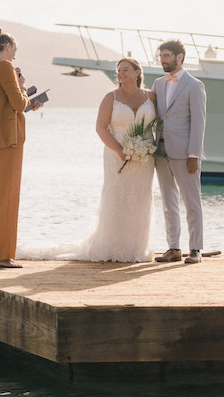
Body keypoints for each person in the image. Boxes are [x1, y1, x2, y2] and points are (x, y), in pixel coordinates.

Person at [19, 57, 156, 262]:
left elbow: (160, 125)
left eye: (126, 70)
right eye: (118, 70)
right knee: (116, 198)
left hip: (145, 158)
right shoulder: (111, 97)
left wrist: (150, 149)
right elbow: (100, 127)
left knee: (141, 200)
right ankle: (113, 248)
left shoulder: (151, 97)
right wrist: (119, 150)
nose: (121, 74)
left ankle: (137, 249)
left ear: (138, 72)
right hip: (116, 156)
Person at [0, 28, 38, 268]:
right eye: (14, 49)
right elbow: (16, 102)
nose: (15, 54)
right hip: (7, 139)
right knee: (7, 196)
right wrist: (22, 88)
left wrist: (24, 101)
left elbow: (3, 104)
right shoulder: (3, 67)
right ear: (7, 46)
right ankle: (1, 255)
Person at [152, 39, 207, 264]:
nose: (162, 60)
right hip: (161, 150)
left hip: (185, 153)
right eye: (161, 56)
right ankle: (173, 248)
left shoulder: (194, 85)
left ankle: (195, 249)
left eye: (166, 55)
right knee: (168, 202)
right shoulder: (158, 83)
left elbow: (199, 122)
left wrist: (194, 154)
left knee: (192, 202)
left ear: (179, 57)